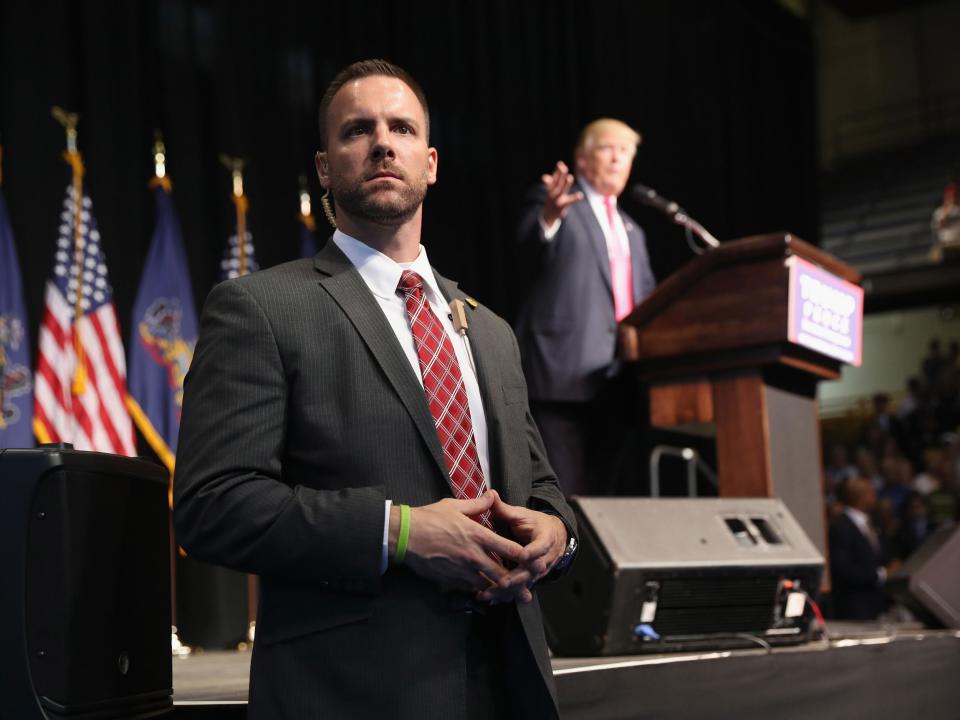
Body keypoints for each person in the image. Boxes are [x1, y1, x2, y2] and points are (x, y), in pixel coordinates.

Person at [173, 59, 577, 719]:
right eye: (358, 130)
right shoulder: (260, 309)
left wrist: (557, 537)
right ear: (326, 167)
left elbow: (544, 491)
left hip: (510, 683)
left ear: (432, 162)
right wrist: (401, 532)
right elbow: (212, 506)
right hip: (352, 692)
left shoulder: (494, 332)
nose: (383, 142)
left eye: (402, 128)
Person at [514, 118, 656, 495]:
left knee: (611, 496)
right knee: (568, 497)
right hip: (563, 375)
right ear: (582, 158)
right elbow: (527, 248)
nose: (617, 158)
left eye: (625, 152)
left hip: (619, 380)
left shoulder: (633, 231)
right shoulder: (559, 205)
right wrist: (549, 217)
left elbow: (649, 302)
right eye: (607, 148)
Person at [828, 477, 899, 620]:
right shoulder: (842, 527)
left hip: (875, 604)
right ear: (860, 496)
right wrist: (883, 574)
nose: (875, 497)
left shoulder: (870, 523)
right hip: (854, 608)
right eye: (871, 493)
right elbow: (843, 569)